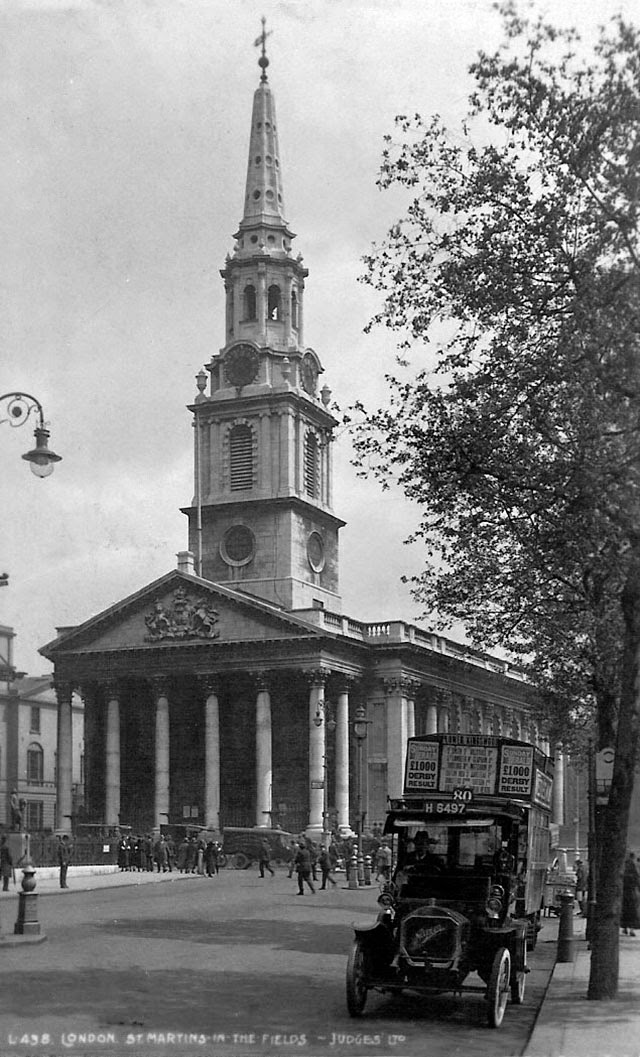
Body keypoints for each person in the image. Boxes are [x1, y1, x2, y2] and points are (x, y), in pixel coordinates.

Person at [621, 851, 640, 936]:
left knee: (625, 910)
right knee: (633, 911)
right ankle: (631, 929)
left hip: (624, 892)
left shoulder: (624, 866)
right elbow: (637, 879)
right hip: (633, 891)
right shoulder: (634, 866)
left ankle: (625, 928)